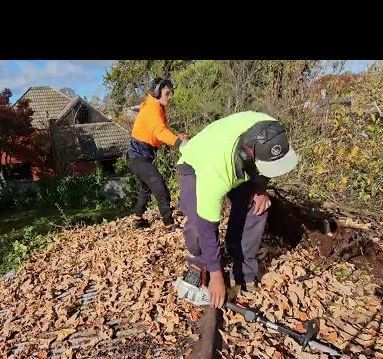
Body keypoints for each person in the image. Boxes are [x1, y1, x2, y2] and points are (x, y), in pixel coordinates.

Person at [177, 112, 299, 308]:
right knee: (198, 225)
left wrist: (260, 188)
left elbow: (265, 169)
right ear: (248, 155)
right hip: (196, 163)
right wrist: (216, 276)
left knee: (258, 206)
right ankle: (200, 262)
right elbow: (208, 227)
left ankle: (243, 269)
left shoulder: (272, 130)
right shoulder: (215, 172)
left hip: (239, 159)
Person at [127, 77, 188, 229]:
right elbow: (160, 132)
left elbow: (156, 136)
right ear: (157, 92)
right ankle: (169, 224)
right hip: (139, 156)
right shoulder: (152, 109)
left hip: (139, 155)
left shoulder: (155, 107)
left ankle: (137, 219)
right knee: (161, 189)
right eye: (167, 93)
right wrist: (179, 143)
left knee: (146, 189)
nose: (170, 96)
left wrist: (175, 138)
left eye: (171, 93)